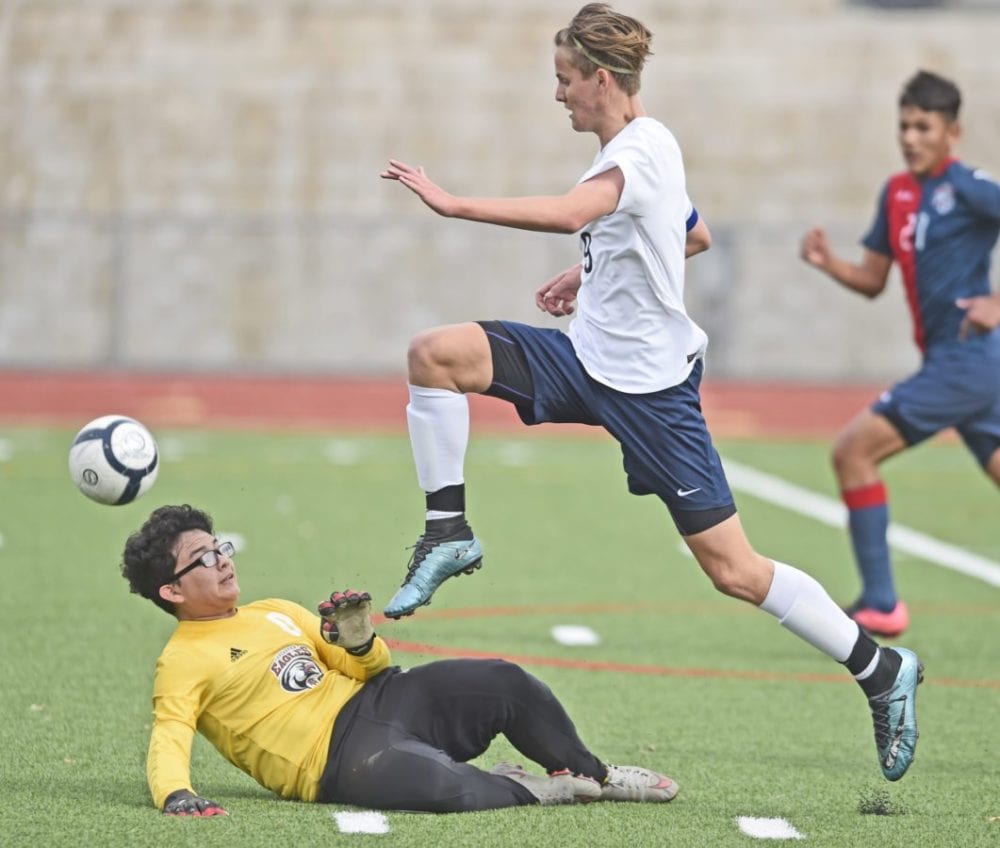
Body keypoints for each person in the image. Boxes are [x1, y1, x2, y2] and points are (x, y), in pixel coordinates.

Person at [380, 3, 923, 782]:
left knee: (734, 570)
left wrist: (452, 201)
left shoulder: (635, 154)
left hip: (652, 394)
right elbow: (689, 233)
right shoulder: (641, 150)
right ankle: (447, 533)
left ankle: (879, 669)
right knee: (434, 355)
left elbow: (575, 210)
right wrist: (592, 267)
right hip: (584, 360)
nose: (558, 94)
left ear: (603, 79)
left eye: (565, 80)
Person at [121, 504, 680, 816]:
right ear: (171, 592)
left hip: (383, 699)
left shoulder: (275, 611)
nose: (222, 560)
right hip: (336, 762)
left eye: (220, 547)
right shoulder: (182, 660)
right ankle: (534, 789)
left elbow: (371, 671)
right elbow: (170, 733)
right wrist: (177, 793)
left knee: (503, 681)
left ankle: (596, 774)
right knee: (440, 786)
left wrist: (360, 642)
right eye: (203, 558)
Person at [801, 69, 1000, 637]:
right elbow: (872, 279)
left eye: (924, 127)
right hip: (959, 366)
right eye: (904, 126)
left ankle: (882, 602)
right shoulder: (897, 193)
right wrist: (828, 263)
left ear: (952, 131)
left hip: (967, 361)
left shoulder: (968, 187)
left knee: (852, 452)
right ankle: (880, 599)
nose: (911, 137)